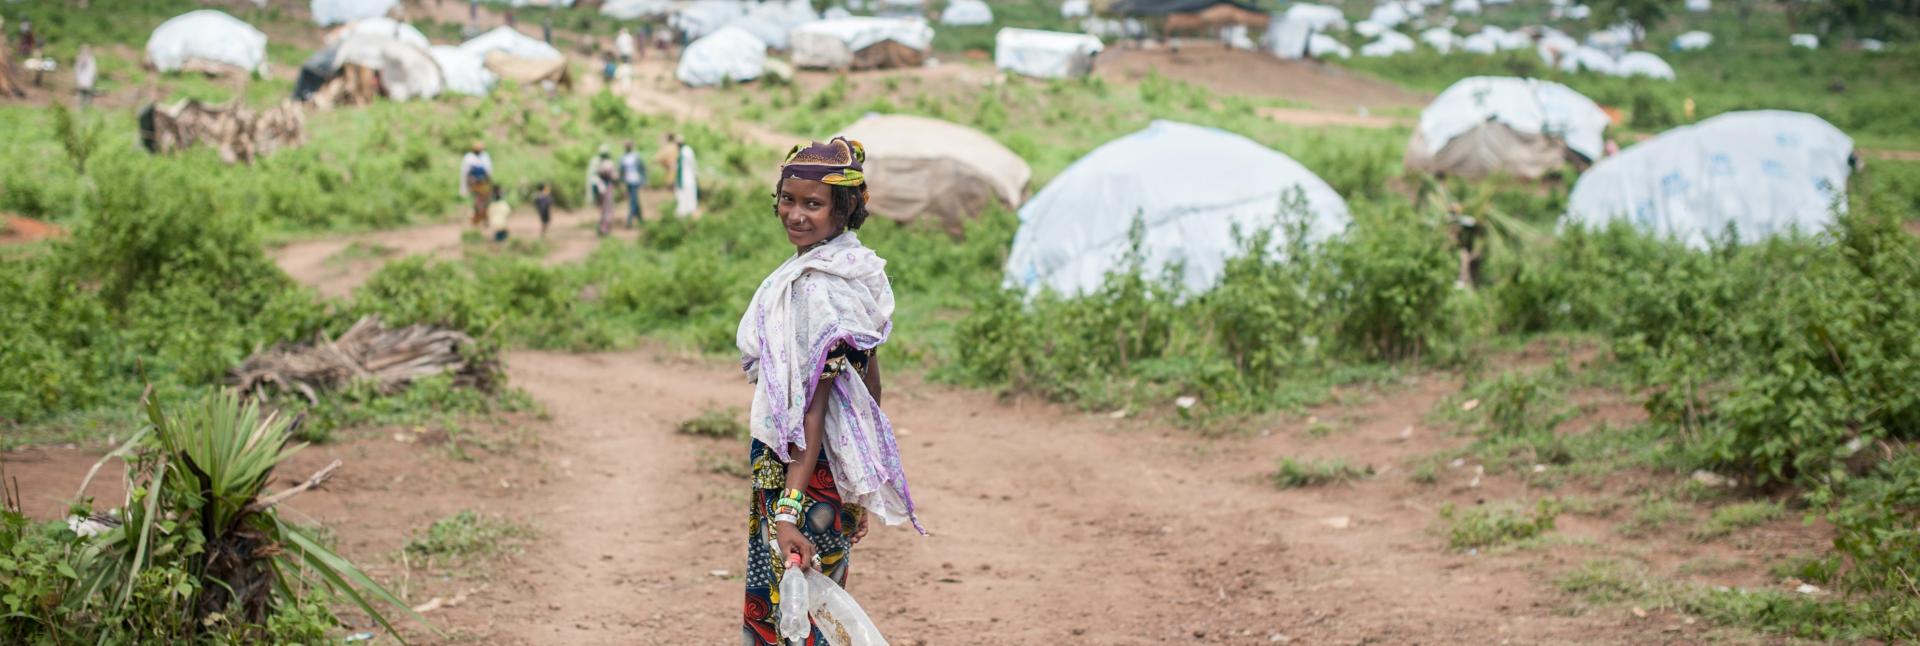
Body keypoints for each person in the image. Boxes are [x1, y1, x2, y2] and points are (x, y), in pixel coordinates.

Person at [736, 137, 920, 645]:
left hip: (799, 474)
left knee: (786, 615)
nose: (796, 214)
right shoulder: (856, 274)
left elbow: (809, 411)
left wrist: (789, 510)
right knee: (817, 605)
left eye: (813, 204)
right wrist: (856, 490)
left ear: (845, 210)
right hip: (832, 474)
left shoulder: (817, 288)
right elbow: (870, 385)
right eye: (788, 199)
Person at [459, 142, 494, 227]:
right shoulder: (469, 158)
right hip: (474, 184)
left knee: (484, 202)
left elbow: (488, 172)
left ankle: (483, 219)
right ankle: (477, 220)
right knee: (478, 202)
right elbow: (465, 173)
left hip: (483, 184)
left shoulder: (485, 157)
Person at [620, 140, 646, 228]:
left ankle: (629, 221)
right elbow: (621, 171)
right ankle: (640, 219)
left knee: (633, 200)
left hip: (635, 180)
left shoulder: (636, 156)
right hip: (628, 181)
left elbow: (642, 167)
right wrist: (621, 182)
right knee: (635, 200)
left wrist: (644, 179)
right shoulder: (623, 158)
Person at [591, 150, 616, 236]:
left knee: (603, 209)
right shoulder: (609, 164)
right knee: (607, 209)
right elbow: (614, 176)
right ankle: (604, 229)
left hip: (601, 189)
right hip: (607, 189)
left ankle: (602, 228)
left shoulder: (599, 164)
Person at [674, 135, 699, 217]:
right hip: (683, 179)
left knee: (690, 196)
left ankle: (691, 213)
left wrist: (695, 174)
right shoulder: (680, 151)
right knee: (682, 196)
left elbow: (693, 164)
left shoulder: (687, 151)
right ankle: (683, 213)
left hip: (688, 177)